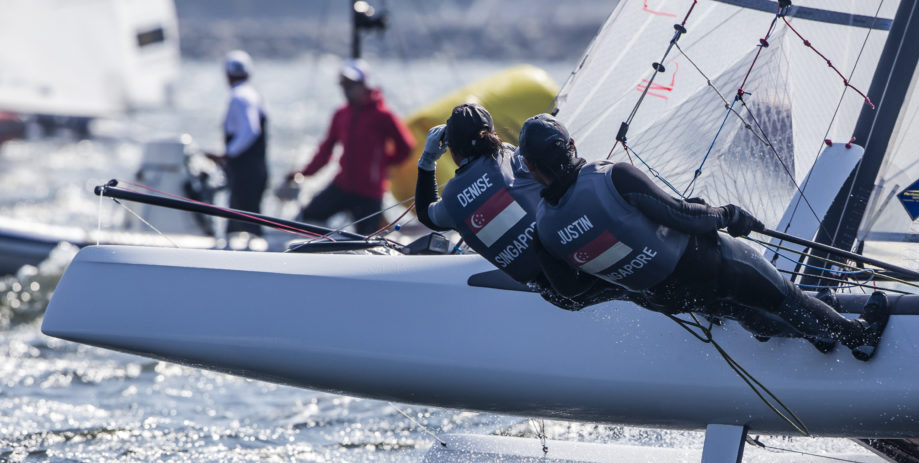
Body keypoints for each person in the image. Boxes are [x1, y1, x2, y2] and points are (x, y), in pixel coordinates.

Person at [517, 113, 890, 360]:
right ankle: (859, 337)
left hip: (666, 297)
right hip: (709, 264)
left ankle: (815, 334)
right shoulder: (612, 177)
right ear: (572, 146)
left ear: (531, 167)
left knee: (743, 312)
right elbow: (682, 216)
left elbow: (571, 292)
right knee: (783, 297)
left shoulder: (544, 231)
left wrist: (625, 275)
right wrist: (728, 215)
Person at [415, 103, 619, 308]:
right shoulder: (512, 158)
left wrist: (427, 161)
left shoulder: (451, 202)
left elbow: (425, 214)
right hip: (589, 261)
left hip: (561, 295)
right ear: (491, 134)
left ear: (451, 148)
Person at [285, 59, 415, 236]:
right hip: (342, 185)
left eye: (351, 84)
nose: (347, 90)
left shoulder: (382, 115)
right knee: (309, 215)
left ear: (363, 84)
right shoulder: (341, 115)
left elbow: (406, 147)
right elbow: (326, 150)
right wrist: (304, 173)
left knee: (366, 239)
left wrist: (383, 164)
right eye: (344, 85)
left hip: (369, 192)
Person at [207, 50, 268, 235]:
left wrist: (227, 153)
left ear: (227, 74)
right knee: (245, 220)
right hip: (253, 169)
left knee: (243, 225)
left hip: (245, 172)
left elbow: (251, 130)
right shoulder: (252, 94)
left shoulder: (240, 97)